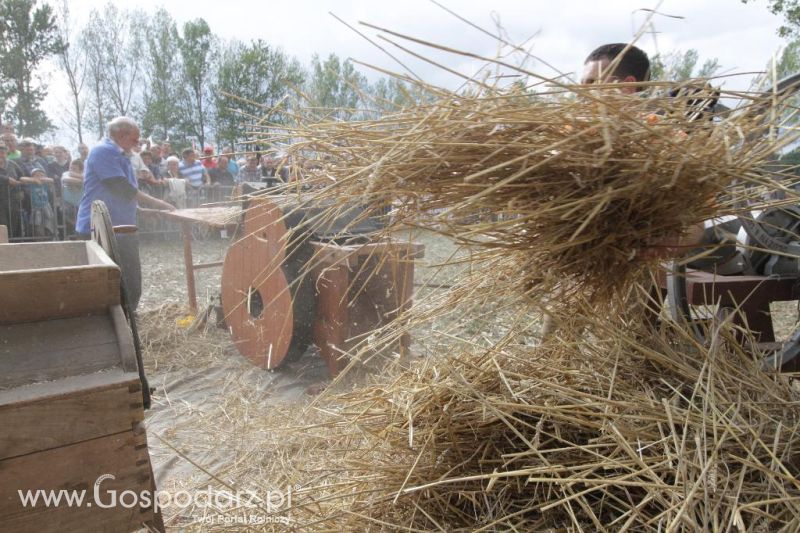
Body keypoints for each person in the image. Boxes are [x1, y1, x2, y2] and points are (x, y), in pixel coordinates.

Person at [75, 116, 175, 310]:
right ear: (121, 134)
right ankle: (121, 329)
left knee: (129, 284)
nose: (138, 143)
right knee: (116, 284)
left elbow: (119, 195)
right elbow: (121, 188)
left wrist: (142, 211)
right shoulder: (103, 152)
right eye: (135, 139)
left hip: (120, 228)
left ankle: (126, 324)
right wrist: (160, 203)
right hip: (99, 228)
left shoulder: (121, 155)